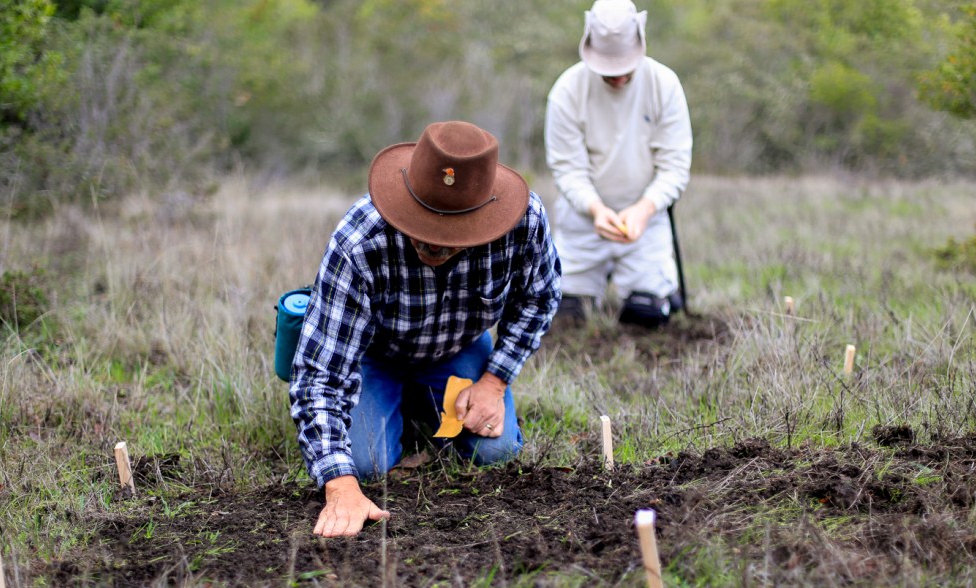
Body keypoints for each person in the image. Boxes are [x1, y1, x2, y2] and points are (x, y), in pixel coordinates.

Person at [290, 121, 562, 538]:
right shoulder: (360, 241)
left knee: (496, 451)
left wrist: (494, 381)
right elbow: (319, 374)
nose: (432, 246)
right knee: (364, 466)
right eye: (422, 228)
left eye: (449, 235)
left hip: (456, 348)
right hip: (372, 355)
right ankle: (396, 404)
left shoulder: (525, 223)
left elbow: (538, 300)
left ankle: (421, 402)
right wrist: (339, 484)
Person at [544, 0, 692, 328]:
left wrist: (643, 210)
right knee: (567, 318)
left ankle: (655, 291)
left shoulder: (664, 85)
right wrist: (596, 209)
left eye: (624, 68)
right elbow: (567, 169)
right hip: (583, 219)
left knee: (646, 316)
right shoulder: (566, 91)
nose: (618, 78)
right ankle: (583, 287)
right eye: (608, 70)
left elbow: (674, 167)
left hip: (645, 218)